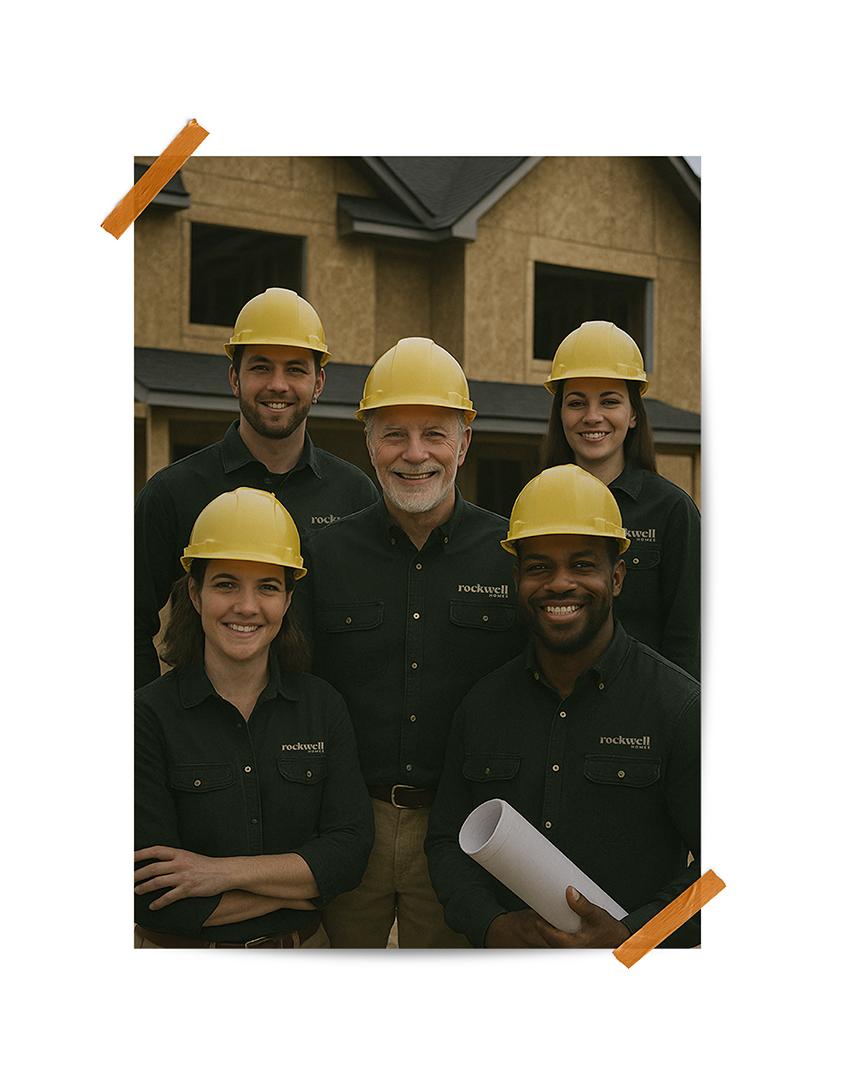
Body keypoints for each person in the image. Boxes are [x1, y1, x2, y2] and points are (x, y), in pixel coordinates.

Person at [299, 338, 529, 948]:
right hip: (350, 826)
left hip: (462, 831)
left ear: (464, 442)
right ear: (368, 443)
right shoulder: (323, 555)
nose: (415, 454)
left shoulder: (513, 553)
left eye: (435, 433)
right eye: (394, 434)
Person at [425, 465, 701, 950]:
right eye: (539, 567)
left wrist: (636, 939)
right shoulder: (482, 707)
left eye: (582, 565)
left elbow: (726, 866)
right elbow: (445, 842)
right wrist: (491, 927)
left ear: (616, 578)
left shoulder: (677, 708)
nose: (559, 584)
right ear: (517, 580)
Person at [133, 488, 375, 955]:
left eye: (267, 586)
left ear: (287, 601)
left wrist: (220, 873)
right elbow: (154, 897)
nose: (247, 606)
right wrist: (304, 886)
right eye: (226, 584)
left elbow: (349, 856)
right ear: (194, 593)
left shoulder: (323, 708)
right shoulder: (146, 718)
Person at [133, 287, 379, 688]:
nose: (277, 385)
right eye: (261, 367)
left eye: (296, 369)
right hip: (198, 736)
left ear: (318, 383)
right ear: (235, 377)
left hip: (313, 736)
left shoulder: (355, 495)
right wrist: (146, 725)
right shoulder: (172, 493)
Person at [540, 320, 700, 679]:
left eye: (609, 401)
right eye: (576, 402)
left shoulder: (672, 511)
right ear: (561, 415)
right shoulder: (537, 503)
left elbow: (688, 643)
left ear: (632, 416)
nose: (592, 416)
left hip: (646, 716)